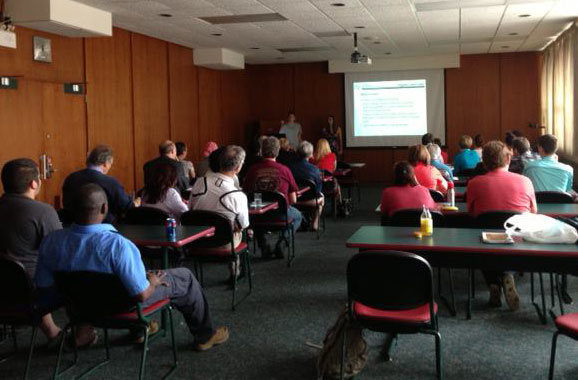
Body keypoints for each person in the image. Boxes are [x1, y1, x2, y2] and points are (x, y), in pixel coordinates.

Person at [35, 183, 229, 351]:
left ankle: (137, 331)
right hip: (122, 307)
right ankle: (205, 335)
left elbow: (44, 286)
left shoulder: (51, 242)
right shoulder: (118, 245)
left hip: (79, 308)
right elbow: (141, 294)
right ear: (104, 208)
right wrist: (151, 282)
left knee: (116, 280)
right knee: (183, 277)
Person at [0, 159, 95, 346]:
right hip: (32, 292)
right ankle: (82, 332)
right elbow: (62, 251)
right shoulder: (42, 211)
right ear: (34, 183)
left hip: (6, 289)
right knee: (80, 272)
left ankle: (53, 332)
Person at [467, 141, 537, 311]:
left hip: (485, 239)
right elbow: (533, 212)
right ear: (508, 158)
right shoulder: (525, 181)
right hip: (518, 238)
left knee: (482, 244)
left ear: (484, 161)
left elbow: (472, 213)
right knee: (514, 240)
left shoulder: (475, 183)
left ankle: (493, 284)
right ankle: (508, 273)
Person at [189, 146, 249, 279]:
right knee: (244, 231)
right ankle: (237, 271)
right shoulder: (238, 195)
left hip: (197, 242)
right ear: (238, 168)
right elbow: (243, 226)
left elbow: (190, 211)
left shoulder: (199, 183)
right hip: (224, 245)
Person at [243, 136, 303, 257]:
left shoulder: (252, 170)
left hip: (256, 216)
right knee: (298, 217)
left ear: (261, 151)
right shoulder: (285, 170)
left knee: (257, 217)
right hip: (280, 215)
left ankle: (263, 244)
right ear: (278, 151)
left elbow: (246, 194)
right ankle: (282, 241)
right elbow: (293, 200)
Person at [63, 145, 138, 224]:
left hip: (72, 225)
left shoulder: (70, 178)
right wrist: (135, 203)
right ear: (105, 164)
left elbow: (66, 204)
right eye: (110, 164)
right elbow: (126, 207)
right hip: (105, 228)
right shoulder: (111, 183)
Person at [290, 141, 325, 231]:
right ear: (310, 154)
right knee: (321, 198)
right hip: (310, 201)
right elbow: (317, 191)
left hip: (293, 200)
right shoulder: (315, 170)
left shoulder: (289, 168)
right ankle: (314, 223)